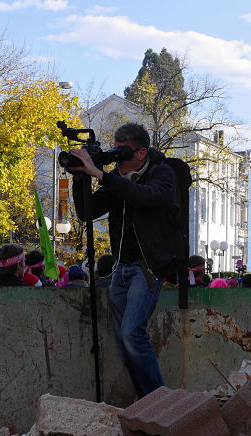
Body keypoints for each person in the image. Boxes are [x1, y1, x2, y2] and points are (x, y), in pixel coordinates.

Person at [70, 122, 185, 397]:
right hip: (121, 269)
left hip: (147, 268)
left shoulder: (162, 173)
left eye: (124, 153)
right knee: (124, 340)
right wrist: (79, 179)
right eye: (115, 153)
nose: (118, 160)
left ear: (142, 152)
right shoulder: (119, 180)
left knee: (133, 334)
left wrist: (101, 174)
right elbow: (87, 211)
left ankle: (160, 402)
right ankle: (147, 400)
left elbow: (146, 197)